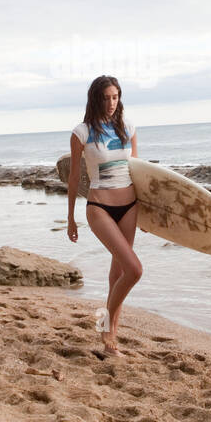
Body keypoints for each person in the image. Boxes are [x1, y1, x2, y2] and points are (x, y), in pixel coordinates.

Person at [66, 75, 141, 357]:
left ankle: (111, 345)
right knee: (135, 270)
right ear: (95, 99)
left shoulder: (128, 127)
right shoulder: (81, 133)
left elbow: (138, 172)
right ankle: (104, 325)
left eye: (115, 97)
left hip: (130, 206)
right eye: (105, 98)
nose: (111, 103)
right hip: (99, 207)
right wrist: (71, 217)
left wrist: (151, 217)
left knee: (119, 273)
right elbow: (75, 177)